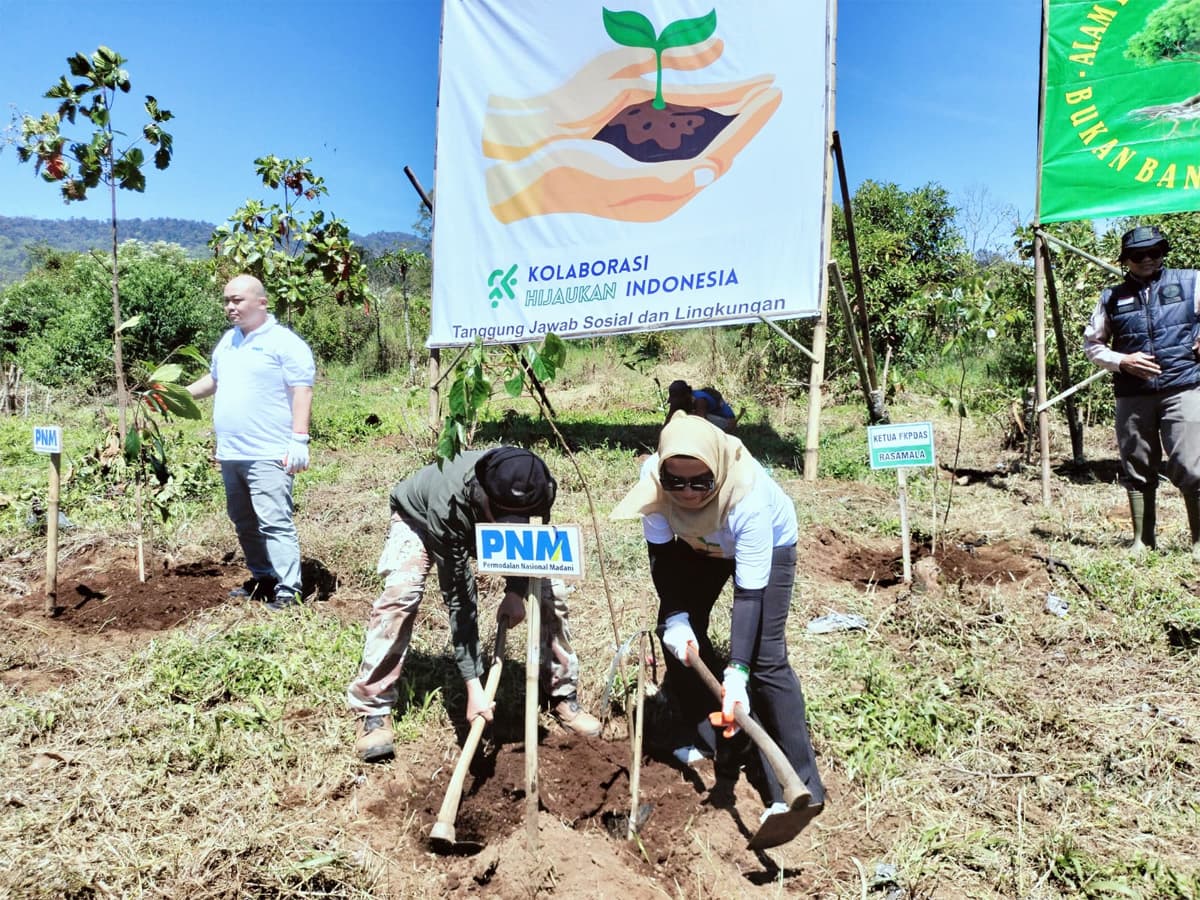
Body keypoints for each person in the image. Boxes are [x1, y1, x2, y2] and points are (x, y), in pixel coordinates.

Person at [611, 412, 825, 828]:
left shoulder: (749, 498)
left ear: (718, 473)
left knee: (766, 661)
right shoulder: (654, 489)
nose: (687, 493)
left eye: (700, 482)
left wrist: (739, 672)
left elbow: (749, 595)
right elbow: (662, 558)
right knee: (678, 641)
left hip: (766, 548)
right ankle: (715, 737)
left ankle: (801, 786)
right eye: (677, 482)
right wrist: (675, 616)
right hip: (699, 546)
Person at [348, 446, 602, 763]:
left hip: (479, 522)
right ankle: (373, 708)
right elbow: (459, 596)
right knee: (402, 592)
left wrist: (516, 590)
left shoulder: (537, 486)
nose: (515, 524)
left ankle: (563, 694)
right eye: (506, 518)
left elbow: (531, 544)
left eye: (521, 519)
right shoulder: (449, 503)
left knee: (552, 592)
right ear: (483, 494)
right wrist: (473, 685)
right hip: (420, 520)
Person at [187, 274, 315, 610]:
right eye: (227, 300)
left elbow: (302, 389)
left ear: (262, 302)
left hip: (269, 452)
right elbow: (214, 381)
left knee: (274, 520)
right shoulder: (228, 342)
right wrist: (177, 396)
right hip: (231, 453)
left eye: (238, 300)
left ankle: (289, 588)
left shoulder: (285, 343)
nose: (231, 307)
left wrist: (299, 439)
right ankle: (264, 577)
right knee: (243, 520)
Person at [1084, 225, 1200, 559]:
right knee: (1136, 464)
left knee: (1191, 464)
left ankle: (1197, 541)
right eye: (1139, 255)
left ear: (1163, 251)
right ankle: (1143, 541)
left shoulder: (1192, 281)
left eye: (1155, 251)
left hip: (1184, 386)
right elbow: (1093, 345)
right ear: (1126, 261)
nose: (1148, 259)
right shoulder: (1111, 298)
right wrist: (1122, 361)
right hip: (1132, 393)